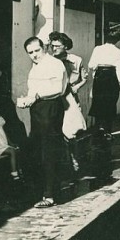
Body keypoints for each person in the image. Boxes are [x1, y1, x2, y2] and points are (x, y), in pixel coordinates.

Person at [18, 37, 69, 209]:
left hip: (51, 109)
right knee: (38, 149)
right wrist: (27, 100)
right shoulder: (35, 67)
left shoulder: (54, 64)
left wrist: (36, 96)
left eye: (37, 51)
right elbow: (33, 89)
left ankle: (50, 195)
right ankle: (43, 191)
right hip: (38, 110)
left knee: (49, 150)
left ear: (44, 48)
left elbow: (58, 89)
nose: (34, 55)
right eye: (30, 53)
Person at [49, 32, 87, 171]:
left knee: (71, 133)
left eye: (57, 46)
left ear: (65, 46)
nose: (54, 49)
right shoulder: (49, 61)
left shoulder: (76, 60)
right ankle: (64, 161)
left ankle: (74, 158)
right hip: (56, 98)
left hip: (71, 98)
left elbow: (84, 78)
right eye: (52, 46)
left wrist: (77, 87)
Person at [87, 30, 120, 137]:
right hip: (111, 77)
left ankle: (99, 128)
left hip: (99, 77)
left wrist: (97, 68)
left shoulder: (97, 49)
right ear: (117, 40)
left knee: (98, 102)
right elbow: (118, 68)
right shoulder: (118, 51)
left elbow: (91, 65)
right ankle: (108, 131)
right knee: (110, 103)